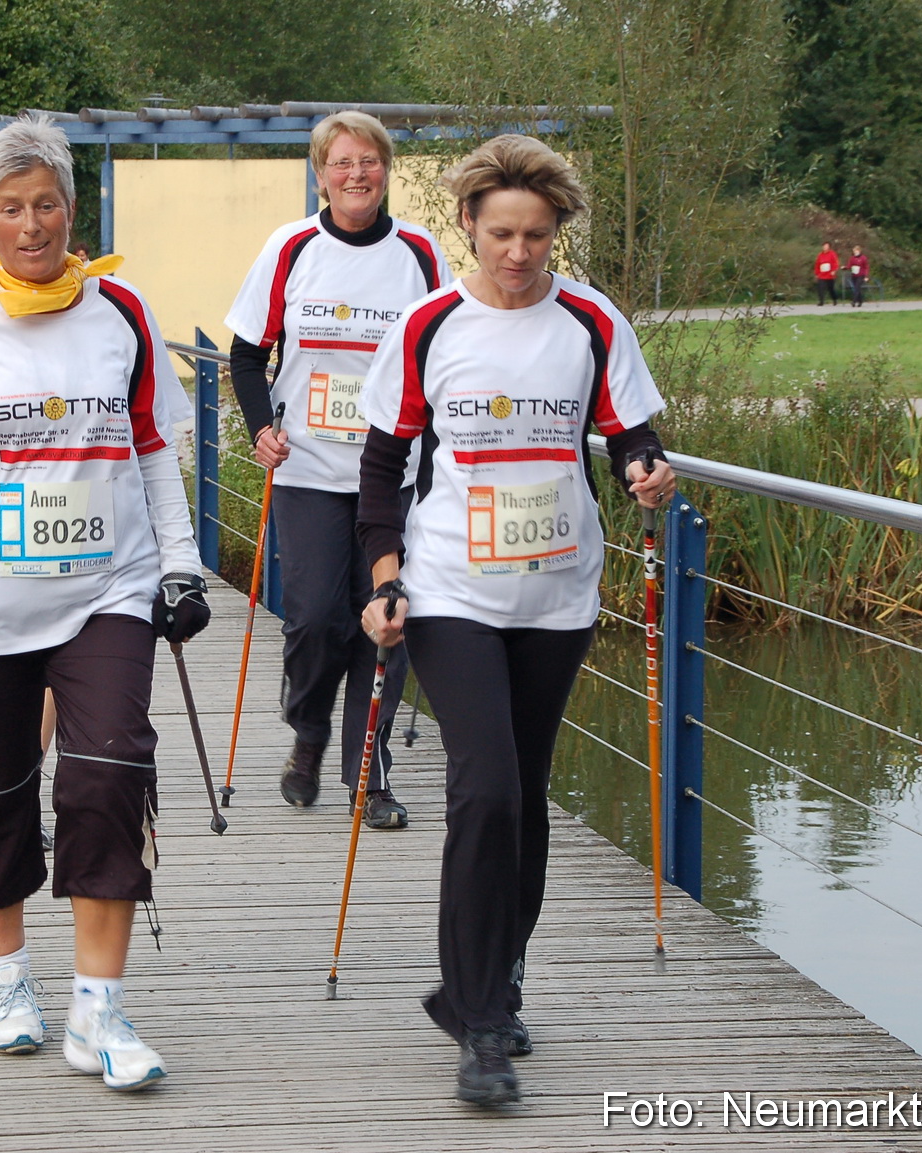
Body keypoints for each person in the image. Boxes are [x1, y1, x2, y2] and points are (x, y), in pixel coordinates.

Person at [0, 115, 207, 1091]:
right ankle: (7, 977)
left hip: (110, 585)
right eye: (8, 207)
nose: (30, 224)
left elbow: (152, 447)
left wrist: (179, 564)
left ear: (71, 209)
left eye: (46, 204)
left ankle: (100, 1009)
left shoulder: (123, 311)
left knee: (108, 772)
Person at [356, 134, 676, 1106]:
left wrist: (644, 472)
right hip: (451, 588)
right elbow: (381, 466)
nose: (519, 254)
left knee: (525, 794)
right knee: (483, 787)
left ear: (557, 233)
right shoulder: (425, 327)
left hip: (559, 593)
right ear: (468, 225)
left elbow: (631, 434)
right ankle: (478, 1017)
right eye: (501, 233)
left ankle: (502, 974)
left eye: (537, 236)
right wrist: (382, 580)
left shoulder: (589, 321)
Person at [224, 110, 451, 830]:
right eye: (342, 162)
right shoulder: (292, 248)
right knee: (318, 617)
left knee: (384, 618)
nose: (358, 174)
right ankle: (308, 727)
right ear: (320, 173)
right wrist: (262, 427)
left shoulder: (419, 252)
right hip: (310, 470)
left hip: (395, 471)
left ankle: (370, 777)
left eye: (370, 161)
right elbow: (246, 353)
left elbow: (445, 357)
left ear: (386, 169)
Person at [814, 241, 839, 306]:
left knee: (831, 289)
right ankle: (821, 301)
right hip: (822, 275)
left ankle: (834, 299)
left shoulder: (832, 254)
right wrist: (817, 273)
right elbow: (817, 265)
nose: (825, 247)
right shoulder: (820, 255)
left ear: (829, 247)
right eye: (824, 246)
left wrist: (834, 271)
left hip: (830, 275)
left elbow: (835, 263)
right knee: (820, 288)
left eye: (826, 246)